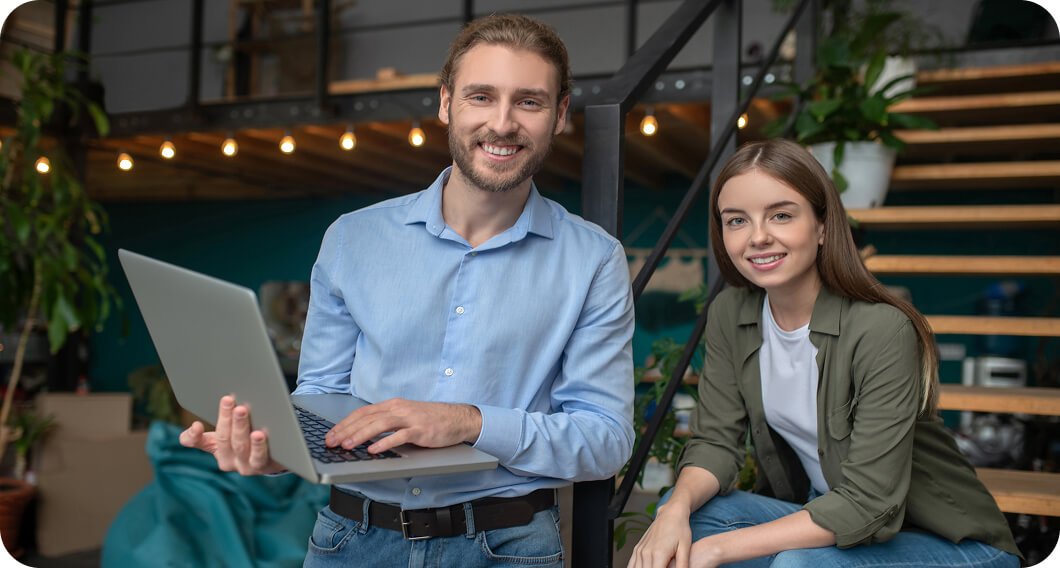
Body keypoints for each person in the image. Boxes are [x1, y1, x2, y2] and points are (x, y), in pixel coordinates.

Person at [179, 13, 635, 567]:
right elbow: (321, 394)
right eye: (482, 96)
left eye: (529, 102)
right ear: (446, 103)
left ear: (560, 114)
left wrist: (468, 422)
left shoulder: (593, 259)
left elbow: (606, 439)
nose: (503, 122)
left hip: (507, 547)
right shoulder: (352, 238)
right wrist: (280, 449)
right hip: (350, 541)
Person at [629, 139, 1021, 568]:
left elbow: (869, 501)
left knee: (798, 563)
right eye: (737, 220)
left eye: (781, 215)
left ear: (821, 226)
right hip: (830, 512)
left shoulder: (881, 329)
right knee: (695, 518)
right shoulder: (731, 312)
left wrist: (720, 549)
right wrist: (673, 511)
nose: (758, 237)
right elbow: (715, 442)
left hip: (946, 540)